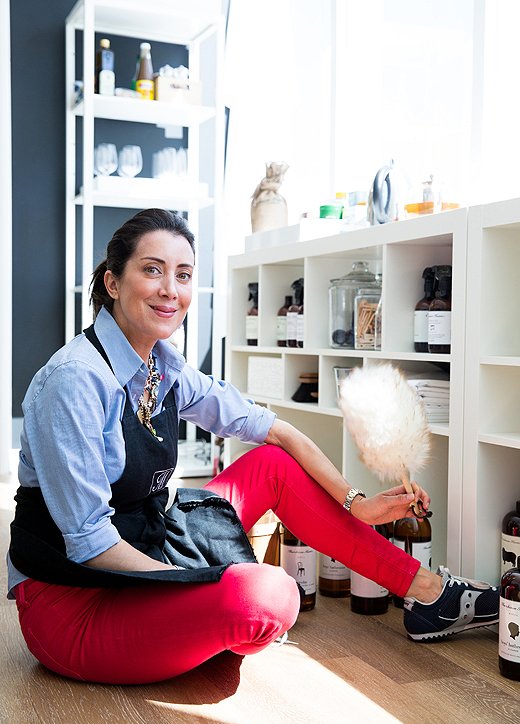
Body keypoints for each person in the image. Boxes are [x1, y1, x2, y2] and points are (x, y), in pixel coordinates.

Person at [7, 209, 499, 685]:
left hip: (144, 547)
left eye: (183, 275)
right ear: (113, 283)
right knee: (269, 596)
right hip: (75, 605)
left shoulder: (164, 366)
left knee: (271, 465)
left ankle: (428, 595)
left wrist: (359, 503)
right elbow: (90, 545)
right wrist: (202, 581)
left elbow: (276, 430)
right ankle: (206, 622)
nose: (170, 291)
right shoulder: (74, 383)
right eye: (151, 270)